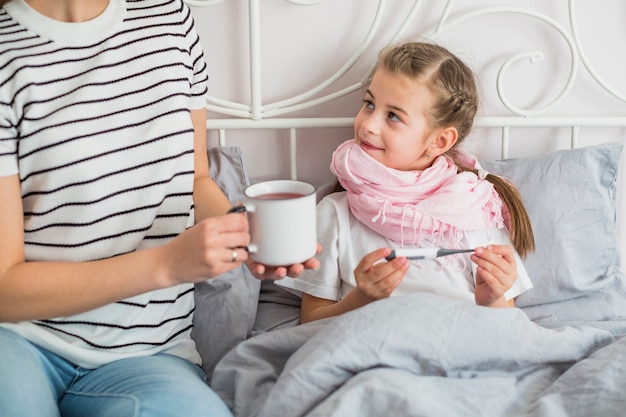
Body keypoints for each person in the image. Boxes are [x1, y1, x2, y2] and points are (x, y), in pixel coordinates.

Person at [0, 1, 318, 416]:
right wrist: (167, 264)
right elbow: (5, 288)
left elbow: (195, 179)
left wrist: (245, 233)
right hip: (21, 340)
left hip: (149, 354)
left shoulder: (168, 17)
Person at [276, 41, 535, 324]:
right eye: (369, 103)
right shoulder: (334, 214)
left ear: (439, 141)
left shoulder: (477, 209)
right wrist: (362, 298)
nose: (368, 125)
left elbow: (507, 326)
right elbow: (311, 322)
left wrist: (492, 299)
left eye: (393, 116)